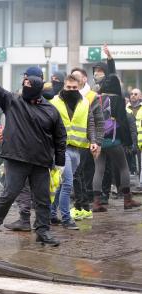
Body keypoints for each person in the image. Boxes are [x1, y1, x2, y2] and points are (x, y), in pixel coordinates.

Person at [0, 56, 66, 247]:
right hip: (16, 158)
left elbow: (60, 137)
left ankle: (43, 231)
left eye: (28, 90)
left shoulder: (50, 110)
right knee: (9, 194)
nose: (25, 92)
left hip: (41, 162)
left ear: (38, 92)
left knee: (42, 198)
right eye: (24, 88)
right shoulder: (12, 101)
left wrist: (60, 162)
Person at [49, 75, 102, 230]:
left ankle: (52, 214)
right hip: (60, 149)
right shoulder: (54, 102)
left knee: (60, 184)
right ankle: (66, 218)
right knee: (67, 184)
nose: (71, 90)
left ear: (78, 87)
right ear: (64, 86)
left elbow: (90, 123)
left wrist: (93, 141)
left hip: (77, 149)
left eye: (74, 87)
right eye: (68, 87)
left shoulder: (85, 102)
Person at [92, 74, 141, 212]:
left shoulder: (97, 98)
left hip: (98, 141)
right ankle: (127, 200)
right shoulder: (118, 99)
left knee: (99, 170)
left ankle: (96, 202)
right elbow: (122, 121)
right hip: (113, 140)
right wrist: (127, 141)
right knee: (123, 167)